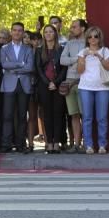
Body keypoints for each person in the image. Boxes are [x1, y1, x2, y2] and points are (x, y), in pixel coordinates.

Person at [77, 25, 109, 154]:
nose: (93, 39)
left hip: (103, 88)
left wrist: (99, 56)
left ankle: (102, 145)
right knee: (87, 117)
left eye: (95, 36)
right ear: (87, 39)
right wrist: (84, 59)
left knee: (102, 117)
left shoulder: (105, 51)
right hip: (85, 87)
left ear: (99, 38)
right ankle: (88, 145)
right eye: (90, 36)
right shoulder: (83, 52)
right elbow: (79, 71)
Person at [0, 22, 34, 153]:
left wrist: (14, 68)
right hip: (9, 85)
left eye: (20, 31)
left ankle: (21, 144)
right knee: (7, 116)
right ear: (11, 32)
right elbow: (4, 64)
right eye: (15, 30)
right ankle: (6, 144)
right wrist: (21, 64)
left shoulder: (28, 49)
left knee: (22, 116)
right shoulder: (4, 48)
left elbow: (30, 67)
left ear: (23, 32)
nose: (17, 33)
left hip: (24, 85)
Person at [34, 24, 67, 153]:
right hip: (44, 85)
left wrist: (56, 82)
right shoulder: (39, 50)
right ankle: (49, 142)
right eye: (46, 32)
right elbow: (38, 68)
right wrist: (48, 82)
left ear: (55, 34)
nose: (48, 34)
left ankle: (57, 142)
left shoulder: (62, 49)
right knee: (47, 115)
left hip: (58, 84)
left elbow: (64, 68)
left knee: (58, 114)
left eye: (50, 32)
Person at [59, 19, 88, 152]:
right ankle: (76, 144)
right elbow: (62, 60)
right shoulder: (69, 43)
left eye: (74, 27)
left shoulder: (89, 43)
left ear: (82, 29)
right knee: (74, 114)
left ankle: (86, 143)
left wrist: (73, 61)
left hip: (84, 81)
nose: (71, 29)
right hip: (70, 81)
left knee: (84, 114)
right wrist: (77, 59)